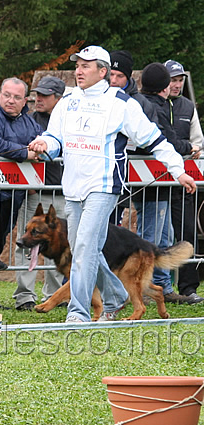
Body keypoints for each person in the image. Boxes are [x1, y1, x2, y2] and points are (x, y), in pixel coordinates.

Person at [28, 45, 196, 323]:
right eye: (77, 65)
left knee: (82, 248)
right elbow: (55, 138)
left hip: (103, 186)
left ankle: (78, 313)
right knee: (89, 248)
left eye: (85, 66)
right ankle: (116, 295)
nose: (78, 71)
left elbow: (155, 140)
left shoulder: (121, 103)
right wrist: (45, 143)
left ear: (102, 71)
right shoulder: (67, 100)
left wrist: (178, 170)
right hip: (73, 188)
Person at [0, 77, 42, 311]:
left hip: (14, 193)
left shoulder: (29, 122)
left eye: (17, 97)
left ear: (25, 101)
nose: (11, 101)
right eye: (7, 95)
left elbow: (39, 142)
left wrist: (34, 150)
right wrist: (25, 153)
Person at [135, 62, 197, 305]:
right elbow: (167, 141)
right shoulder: (155, 107)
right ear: (163, 87)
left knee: (163, 237)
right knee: (150, 239)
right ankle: (147, 287)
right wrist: (190, 147)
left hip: (161, 184)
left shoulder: (146, 103)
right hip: (153, 185)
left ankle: (162, 286)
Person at [12, 76, 67, 311]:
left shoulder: (68, 122)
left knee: (58, 246)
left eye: (45, 95)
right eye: (37, 94)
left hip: (64, 193)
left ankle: (54, 295)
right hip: (36, 193)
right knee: (26, 244)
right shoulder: (30, 121)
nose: (39, 99)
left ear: (59, 98)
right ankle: (25, 296)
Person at [164, 59, 204, 302]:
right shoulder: (151, 104)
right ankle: (156, 286)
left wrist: (195, 148)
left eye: (180, 80)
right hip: (153, 182)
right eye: (172, 80)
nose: (177, 84)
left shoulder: (188, 106)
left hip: (183, 182)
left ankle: (188, 287)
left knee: (187, 232)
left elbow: (198, 140)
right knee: (158, 236)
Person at [108, 50, 156, 225]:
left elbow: (152, 139)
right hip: (99, 178)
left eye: (119, 76)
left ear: (128, 77)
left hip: (131, 179)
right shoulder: (94, 99)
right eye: (111, 74)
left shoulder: (141, 104)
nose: (113, 80)